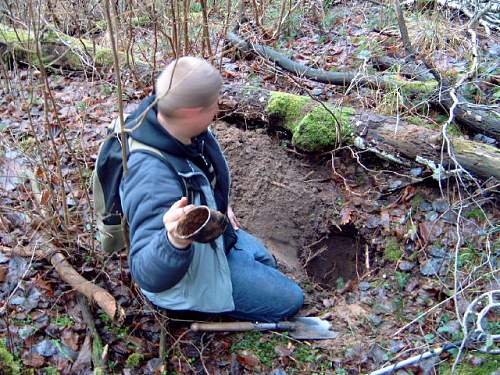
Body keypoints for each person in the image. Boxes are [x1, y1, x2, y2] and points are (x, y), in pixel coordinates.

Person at [119, 56, 304, 322]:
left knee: (267, 260)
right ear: (192, 111)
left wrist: (217, 202)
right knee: (291, 300)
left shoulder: (182, 130)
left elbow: (203, 172)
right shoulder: (151, 177)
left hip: (214, 241)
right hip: (180, 274)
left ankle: (237, 271)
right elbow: (147, 274)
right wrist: (175, 240)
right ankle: (196, 304)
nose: (218, 107)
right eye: (214, 102)